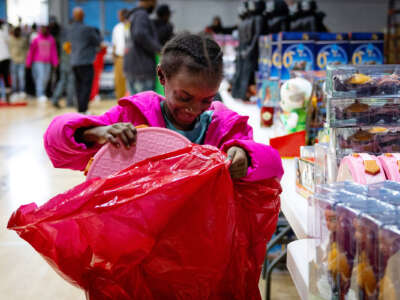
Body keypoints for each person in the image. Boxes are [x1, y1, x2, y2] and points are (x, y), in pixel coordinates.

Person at [44, 33, 284, 181]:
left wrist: (245, 156)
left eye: (207, 100)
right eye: (184, 97)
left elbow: (274, 165)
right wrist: (94, 133)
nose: (193, 109)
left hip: (201, 247)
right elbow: (56, 145)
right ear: (162, 76)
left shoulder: (224, 127)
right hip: (138, 249)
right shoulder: (132, 117)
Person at [67, 7, 102, 114]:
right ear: (83, 16)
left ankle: (79, 109)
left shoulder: (70, 29)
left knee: (78, 87)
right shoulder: (88, 29)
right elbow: (98, 42)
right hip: (86, 62)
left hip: (74, 62)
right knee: (86, 86)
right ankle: (84, 109)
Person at [124, 0, 161, 94]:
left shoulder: (131, 16)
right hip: (142, 68)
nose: (155, 5)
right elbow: (140, 34)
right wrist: (159, 49)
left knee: (135, 105)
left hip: (131, 67)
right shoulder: (141, 15)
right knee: (145, 105)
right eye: (154, 2)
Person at [26, 25, 58, 101]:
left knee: (46, 78)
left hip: (48, 62)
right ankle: (40, 93)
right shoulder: (36, 39)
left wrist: (55, 62)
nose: (43, 30)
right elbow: (31, 51)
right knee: (40, 77)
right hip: (38, 62)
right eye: (42, 28)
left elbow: (53, 51)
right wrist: (28, 62)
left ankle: (42, 92)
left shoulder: (51, 39)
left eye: (45, 28)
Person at [52, 41, 75, 108]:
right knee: (71, 84)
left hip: (63, 64)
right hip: (70, 64)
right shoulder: (72, 40)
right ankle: (69, 102)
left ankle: (55, 99)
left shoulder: (64, 39)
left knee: (62, 82)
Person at [111, 9, 128, 99]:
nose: (118, 17)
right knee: (118, 81)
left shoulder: (130, 26)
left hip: (129, 58)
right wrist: (114, 57)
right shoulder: (117, 27)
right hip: (119, 58)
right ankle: (120, 101)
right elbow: (114, 44)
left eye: (119, 15)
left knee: (128, 82)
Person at [9, 26, 28, 101]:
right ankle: (14, 92)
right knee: (14, 78)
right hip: (13, 61)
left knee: (21, 77)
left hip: (21, 61)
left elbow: (26, 49)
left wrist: (25, 58)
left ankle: (22, 91)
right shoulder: (10, 39)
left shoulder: (23, 40)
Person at [0, 20, 11, 102]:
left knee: (6, 77)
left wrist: (4, 27)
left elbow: (8, 41)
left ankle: (7, 96)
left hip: (5, 58)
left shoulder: (4, 32)